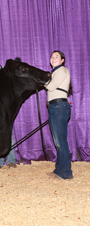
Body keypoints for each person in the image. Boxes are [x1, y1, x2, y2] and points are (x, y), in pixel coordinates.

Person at [45, 50, 73, 180]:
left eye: (57, 56)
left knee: (60, 141)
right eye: (52, 57)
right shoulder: (56, 72)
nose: (53, 58)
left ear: (62, 60)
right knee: (58, 141)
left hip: (58, 107)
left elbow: (51, 87)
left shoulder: (61, 70)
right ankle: (59, 170)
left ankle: (66, 173)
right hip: (56, 106)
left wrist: (40, 78)